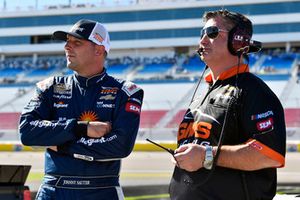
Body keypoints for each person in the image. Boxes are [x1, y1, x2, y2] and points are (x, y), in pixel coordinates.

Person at [19, 19, 144, 200]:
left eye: (77, 43)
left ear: (99, 50)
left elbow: (120, 146)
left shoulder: (127, 92)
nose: (68, 47)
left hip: (102, 190)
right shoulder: (49, 87)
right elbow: (27, 132)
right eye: (67, 42)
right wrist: (80, 128)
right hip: (53, 189)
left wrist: (60, 145)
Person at [169, 10, 286, 200]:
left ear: (238, 41)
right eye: (202, 34)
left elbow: (269, 154)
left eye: (213, 33)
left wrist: (205, 155)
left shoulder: (255, 92)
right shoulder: (202, 94)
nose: (203, 41)